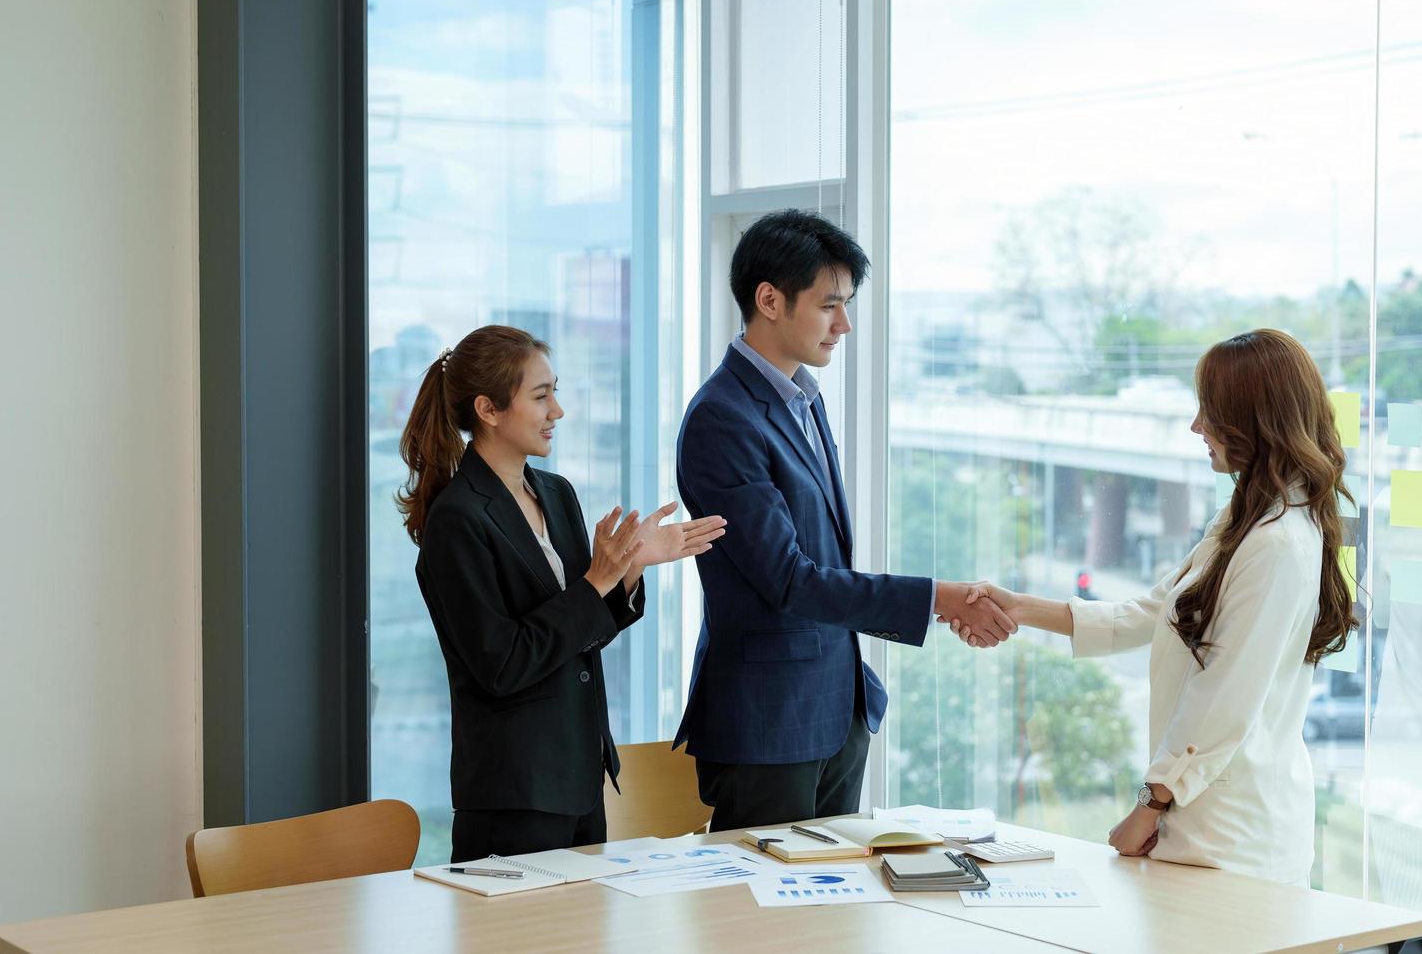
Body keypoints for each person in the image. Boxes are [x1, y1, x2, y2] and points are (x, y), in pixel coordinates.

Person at [953, 328, 1357, 885]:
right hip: (1206, 823)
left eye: (1209, 412)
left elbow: (1225, 695)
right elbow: (1154, 612)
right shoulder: (1247, 518)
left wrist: (1148, 806)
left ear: (1253, 421)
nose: (1197, 427)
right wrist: (1020, 607)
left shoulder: (1276, 543)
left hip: (1235, 838)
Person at [674, 209, 1016, 832]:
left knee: (830, 921)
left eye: (848, 304)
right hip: (770, 724)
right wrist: (936, 598)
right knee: (757, 924)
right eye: (830, 305)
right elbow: (790, 579)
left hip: (835, 710)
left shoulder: (804, 397)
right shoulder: (722, 418)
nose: (845, 324)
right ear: (770, 300)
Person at [398, 325, 727, 861]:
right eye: (541, 395)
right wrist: (597, 581)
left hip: (579, 778)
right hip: (512, 795)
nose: (559, 411)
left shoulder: (556, 493)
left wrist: (629, 568)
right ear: (489, 409)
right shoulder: (457, 519)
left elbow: (581, 630)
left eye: (557, 391)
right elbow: (501, 664)